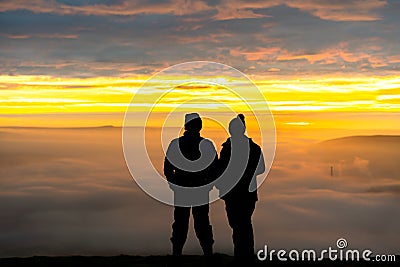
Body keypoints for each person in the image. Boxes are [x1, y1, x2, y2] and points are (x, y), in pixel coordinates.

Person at [164, 113, 218, 257]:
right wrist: (208, 184)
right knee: (202, 223)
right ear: (200, 126)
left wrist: (174, 184)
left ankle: (177, 256)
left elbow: (168, 168)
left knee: (181, 223)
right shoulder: (207, 145)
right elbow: (215, 168)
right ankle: (208, 256)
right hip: (200, 189)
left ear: (186, 126)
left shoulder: (176, 144)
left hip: (183, 190)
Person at [216, 114, 265, 263]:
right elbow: (261, 168)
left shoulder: (228, 148)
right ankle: (245, 255)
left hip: (234, 193)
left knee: (238, 224)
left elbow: (221, 168)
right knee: (243, 224)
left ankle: (242, 256)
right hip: (246, 193)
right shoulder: (254, 148)